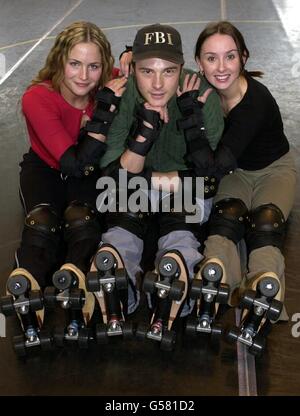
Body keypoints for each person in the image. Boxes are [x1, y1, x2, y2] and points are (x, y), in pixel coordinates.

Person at [85, 23, 224, 350]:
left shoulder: (202, 94)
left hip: (183, 189)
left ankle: (175, 271)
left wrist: (153, 178)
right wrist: (143, 139)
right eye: (148, 71)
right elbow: (111, 174)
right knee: (121, 222)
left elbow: (209, 176)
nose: (158, 84)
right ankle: (116, 275)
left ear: (182, 68)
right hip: (140, 185)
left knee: (180, 226)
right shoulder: (122, 92)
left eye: (169, 71)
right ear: (132, 68)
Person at [0, 21, 127, 353]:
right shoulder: (37, 97)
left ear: (103, 66)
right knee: (43, 224)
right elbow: (72, 163)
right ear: (60, 62)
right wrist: (103, 113)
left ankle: (74, 278)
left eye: (93, 66)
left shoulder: (107, 79)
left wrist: (132, 59)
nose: (84, 75)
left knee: (81, 221)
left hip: (86, 174)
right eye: (75, 64)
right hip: (47, 169)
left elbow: (143, 70)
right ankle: (27, 281)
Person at [183, 21, 296, 355]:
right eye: (211, 58)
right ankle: (214, 276)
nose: (221, 67)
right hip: (235, 171)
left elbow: (215, 165)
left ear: (243, 57)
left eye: (230, 56)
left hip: (273, 169)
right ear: (199, 62)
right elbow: (159, 73)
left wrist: (191, 121)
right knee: (226, 219)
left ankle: (264, 286)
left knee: (265, 222)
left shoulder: (255, 102)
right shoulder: (201, 87)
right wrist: (128, 61)